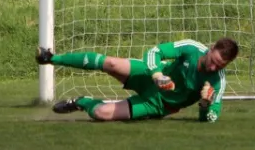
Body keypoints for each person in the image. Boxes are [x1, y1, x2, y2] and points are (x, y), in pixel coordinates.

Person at [35, 37, 239, 123]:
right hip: (151, 77)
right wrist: (157, 74)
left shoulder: (217, 82)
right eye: (213, 61)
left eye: (220, 66)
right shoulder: (191, 48)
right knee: (112, 63)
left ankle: (81, 102)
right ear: (211, 49)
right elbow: (155, 52)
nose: (214, 68)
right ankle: (51, 58)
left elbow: (211, 118)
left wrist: (205, 105)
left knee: (101, 113)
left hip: (158, 104)